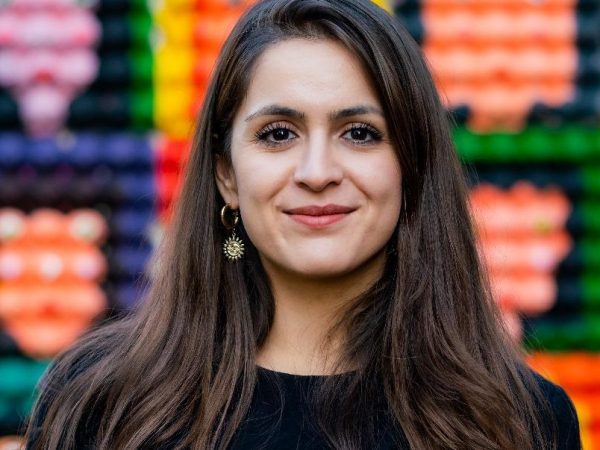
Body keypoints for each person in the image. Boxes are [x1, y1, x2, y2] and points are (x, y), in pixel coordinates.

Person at [24, 0, 581, 449]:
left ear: (411, 166)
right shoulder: (100, 403)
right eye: (278, 134)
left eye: (359, 133)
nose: (317, 173)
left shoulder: (518, 420)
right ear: (226, 175)